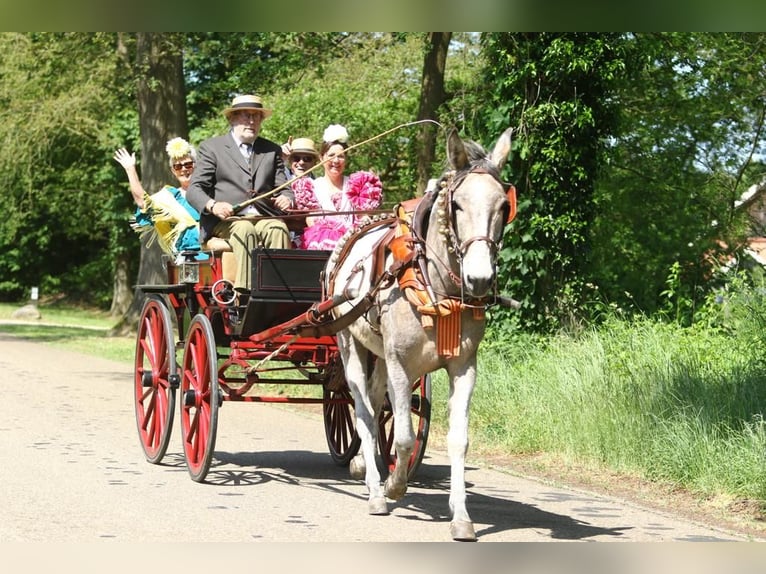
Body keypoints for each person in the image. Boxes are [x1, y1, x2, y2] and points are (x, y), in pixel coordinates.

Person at [185, 94, 294, 292]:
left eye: (256, 116)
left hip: (263, 218)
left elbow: (284, 187)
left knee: (278, 228)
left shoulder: (271, 150)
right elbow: (194, 190)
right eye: (246, 116)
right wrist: (214, 205)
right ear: (232, 118)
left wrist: (286, 198)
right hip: (226, 222)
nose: (251, 121)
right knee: (244, 229)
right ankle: (245, 295)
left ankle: (278, 292)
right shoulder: (212, 148)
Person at [114, 137, 207, 261]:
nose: (184, 169)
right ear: (173, 171)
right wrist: (130, 169)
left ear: (196, 166)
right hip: (188, 260)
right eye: (178, 166)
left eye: (188, 164)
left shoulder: (212, 192)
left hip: (216, 254)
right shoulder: (168, 198)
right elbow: (143, 202)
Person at [293, 124, 383, 250]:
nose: (336, 161)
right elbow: (312, 222)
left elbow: (364, 218)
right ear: (321, 157)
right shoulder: (311, 187)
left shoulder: (358, 185)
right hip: (320, 244)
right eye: (331, 155)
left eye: (341, 156)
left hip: (352, 243)